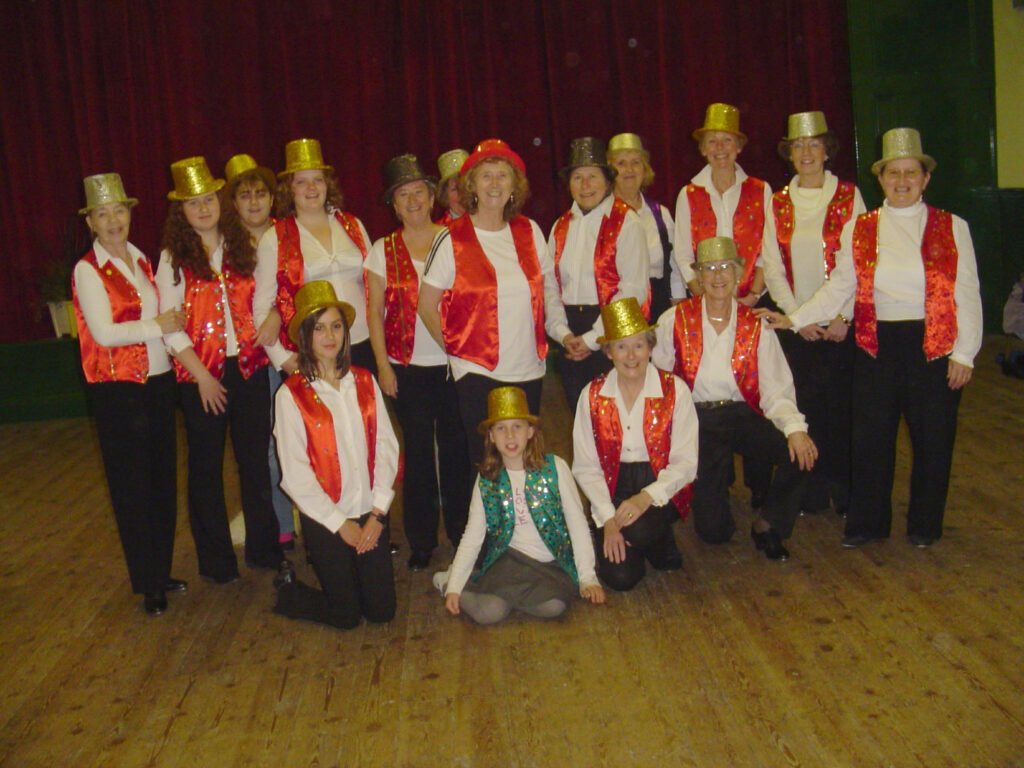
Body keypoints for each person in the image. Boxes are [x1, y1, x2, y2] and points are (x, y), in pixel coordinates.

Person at [759, 128, 982, 548]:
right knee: (870, 438)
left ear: (925, 178)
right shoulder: (860, 228)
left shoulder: (953, 227)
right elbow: (840, 287)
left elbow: (966, 294)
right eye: (893, 173)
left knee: (933, 439)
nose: (902, 181)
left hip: (933, 345)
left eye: (910, 173)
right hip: (877, 344)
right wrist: (793, 319)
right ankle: (867, 523)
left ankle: (924, 525)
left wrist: (965, 354)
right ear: (880, 179)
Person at [156, 156, 286, 584]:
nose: (204, 209)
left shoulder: (245, 247)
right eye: (194, 204)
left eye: (209, 199)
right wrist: (203, 377)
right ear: (182, 212)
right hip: (201, 375)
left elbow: (269, 298)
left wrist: (274, 321)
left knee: (254, 460)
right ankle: (216, 561)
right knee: (206, 467)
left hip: (247, 366)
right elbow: (171, 328)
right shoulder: (173, 258)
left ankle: (265, 549)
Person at [654, 237, 817, 561]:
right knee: (713, 533)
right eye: (709, 269)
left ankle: (769, 523)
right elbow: (658, 381)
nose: (717, 276)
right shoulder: (674, 320)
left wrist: (795, 428)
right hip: (698, 421)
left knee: (800, 451)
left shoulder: (756, 324)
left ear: (739, 272)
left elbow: (776, 389)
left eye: (725, 267)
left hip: (743, 415)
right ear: (698, 276)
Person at [71, 173, 185, 615]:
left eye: (119, 211)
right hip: (118, 390)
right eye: (104, 214)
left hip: (156, 383)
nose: (114, 220)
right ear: (92, 223)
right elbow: (102, 332)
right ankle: (148, 582)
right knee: (132, 486)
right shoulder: (87, 269)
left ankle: (160, 568)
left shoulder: (140, 258)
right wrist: (158, 326)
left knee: (161, 480)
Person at [419, 138, 569, 473]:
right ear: (471, 184)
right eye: (486, 175)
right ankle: (491, 528)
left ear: (515, 185)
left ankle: (524, 527)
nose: (495, 183)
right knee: (487, 465)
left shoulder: (530, 231)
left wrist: (562, 332)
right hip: (478, 372)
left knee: (526, 462)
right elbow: (426, 304)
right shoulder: (451, 239)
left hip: (528, 366)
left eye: (503, 175)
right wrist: (454, 352)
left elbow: (548, 291)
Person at [272, 281, 399, 629]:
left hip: (368, 514)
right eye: (319, 328)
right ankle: (290, 592)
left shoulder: (364, 381)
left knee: (382, 612)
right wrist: (340, 524)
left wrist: (377, 514)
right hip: (327, 519)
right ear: (305, 336)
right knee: (346, 617)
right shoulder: (290, 396)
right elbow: (295, 475)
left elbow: (388, 447)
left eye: (336, 326)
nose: (329, 335)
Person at [366, 154, 470, 571]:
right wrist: (383, 366)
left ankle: (464, 531)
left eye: (418, 192)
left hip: (455, 364)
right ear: (393, 204)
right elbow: (373, 311)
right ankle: (422, 539)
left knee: (457, 450)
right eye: (402, 194)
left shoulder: (457, 239)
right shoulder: (381, 250)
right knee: (420, 456)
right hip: (406, 367)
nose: (411, 200)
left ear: (433, 197)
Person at [673, 102, 780, 507]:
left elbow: (769, 249)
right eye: (712, 141)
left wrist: (754, 291)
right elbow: (682, 253)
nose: (720, 148)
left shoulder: (760, 190)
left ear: (738, 147)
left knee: (752, 390)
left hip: (749, 304)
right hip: (705, 308)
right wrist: (702, 292)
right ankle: (712, 482)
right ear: (703, 149)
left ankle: (759, 484)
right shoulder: (689, 193)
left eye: (727, 141)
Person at [761, 112, 867, 515]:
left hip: (841, 324)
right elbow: (771, 265)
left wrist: (844, 315)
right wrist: (798, 317)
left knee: (842, 410)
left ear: (827, 150)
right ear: (789, 153)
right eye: (798, 146)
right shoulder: (778, 201)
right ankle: (809, 488)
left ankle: (843, 486)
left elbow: (857, 261)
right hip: (797, 326)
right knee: (804, 408)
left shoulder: (848, 196)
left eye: (813, 144)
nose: (806, 152)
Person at [438, 386, 604, 624]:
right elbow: (473, 535)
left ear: (531, 431)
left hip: (551, 564)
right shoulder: (487, 479)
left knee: (554, 607)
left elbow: (577, 523)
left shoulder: (555, 468)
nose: (510, 436)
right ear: (491, 437)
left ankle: (510, 597)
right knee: (489, 613)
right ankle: (449, 580)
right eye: (501, 428)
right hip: (509, 561)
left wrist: (588, 577)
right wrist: (454, 587)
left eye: (517, 426)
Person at [573, 297, 697, 591]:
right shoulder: (591, 395)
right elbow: (587, 467)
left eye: (639, 345)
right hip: (612, 487)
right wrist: (608, 520)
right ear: (608, 352)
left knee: (639, 527)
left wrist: (645, 498)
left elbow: (686, 463)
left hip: (658, 485)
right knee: (621, 579)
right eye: (621, 346)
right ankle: (640, 542)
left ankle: (653, 537)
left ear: (651, 347)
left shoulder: (675, 390)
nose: (631, 356)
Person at [224, 152, 297, 551]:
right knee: (268, 445)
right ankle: (280, 524)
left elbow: (295, 283)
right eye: (245, 195)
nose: (254, 202)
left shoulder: (287, 236)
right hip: (251, 359)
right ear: (233, 202)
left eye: (261, 194)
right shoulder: (224, 243)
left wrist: (273, 312)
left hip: (286, 347)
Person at [254, 138, 375, 379]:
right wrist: (283, 359)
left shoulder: (353, 225)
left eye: (318, 180)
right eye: (301, 182)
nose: (311, 188)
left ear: (327, 184)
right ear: (290, 189)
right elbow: (260, 308)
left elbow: (374, 286)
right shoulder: (274, 238)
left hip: (363, 343)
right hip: (313, 351)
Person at [549, 136, 650, 411]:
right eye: (577, 177)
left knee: (616, 416)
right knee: (580, 416)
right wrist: (563, 334)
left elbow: (633, 290)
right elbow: (550, 287)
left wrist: (594, 338)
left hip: (613, 334)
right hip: (570, 333)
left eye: (592, 177)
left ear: (607, 181)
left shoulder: (627, 222)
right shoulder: (560, 227)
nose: (585, 185)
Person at [608, 132, 677, 320]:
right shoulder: (603, 217)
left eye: (636, 162)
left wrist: (677, 302)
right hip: (618, 304)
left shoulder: (660, 214)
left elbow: (673, 263)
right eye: (621, 163)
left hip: (659, 306)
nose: (629, 169)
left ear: (644, 168)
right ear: (610, 171)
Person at [434, 148, 468, 227]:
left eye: (464, 186)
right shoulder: (438, 231)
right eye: (455, 189)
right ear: (445, 195)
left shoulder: (489, 222)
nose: (461, 194)